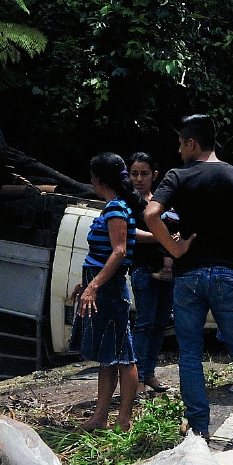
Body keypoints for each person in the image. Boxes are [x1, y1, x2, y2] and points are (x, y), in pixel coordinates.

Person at [146, 114, 233, 449]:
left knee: (190, 353)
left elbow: (152, 214)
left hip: (189, 276)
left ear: (193, 143)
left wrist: (175, 246)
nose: (179, 151)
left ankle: (197, 428)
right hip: (226, 274)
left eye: (181, 144)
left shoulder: (178, 176)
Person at [73, 153, 141, 431]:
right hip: (102, 284)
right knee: (107, 356)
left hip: (109, 289)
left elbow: (119, 251)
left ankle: (123, 420)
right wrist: (86, 282)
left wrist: (93, 285)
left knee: (123, 356)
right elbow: (126, 240)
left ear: (98, 179)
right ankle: (100, 417)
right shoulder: (118, 208)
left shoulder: (114, 209)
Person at [128, 152, 175, 397]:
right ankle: (135, 380)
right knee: (144, 324)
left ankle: (149, 373)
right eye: (134, 173)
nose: (139, 178)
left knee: (159, 324)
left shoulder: (161, 201)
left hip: (168, 270)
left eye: (144, 173)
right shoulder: (128, 202)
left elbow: (176, 225)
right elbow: (131, 233)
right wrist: (162, 237)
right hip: (143, 269)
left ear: (154, 175)